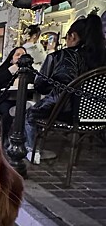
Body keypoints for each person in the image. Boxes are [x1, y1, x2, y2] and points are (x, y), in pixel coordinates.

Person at [25, 14, 106, 164]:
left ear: (73, 36)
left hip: (64, 111)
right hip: (98, 116)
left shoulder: (61, 56)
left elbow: (40, 86)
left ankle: (31, 150)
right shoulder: (102, 59)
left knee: (30, 114)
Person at [0, 47, 27, 147]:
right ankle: (6, 137)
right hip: (2, 100)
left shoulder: (29, 70)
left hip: (21, 99)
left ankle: (26, 140)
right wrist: (13, 69)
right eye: (17, 55)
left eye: (23, 55)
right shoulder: (3, 69)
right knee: (8, 111)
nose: (20, 57)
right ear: (11, 58)